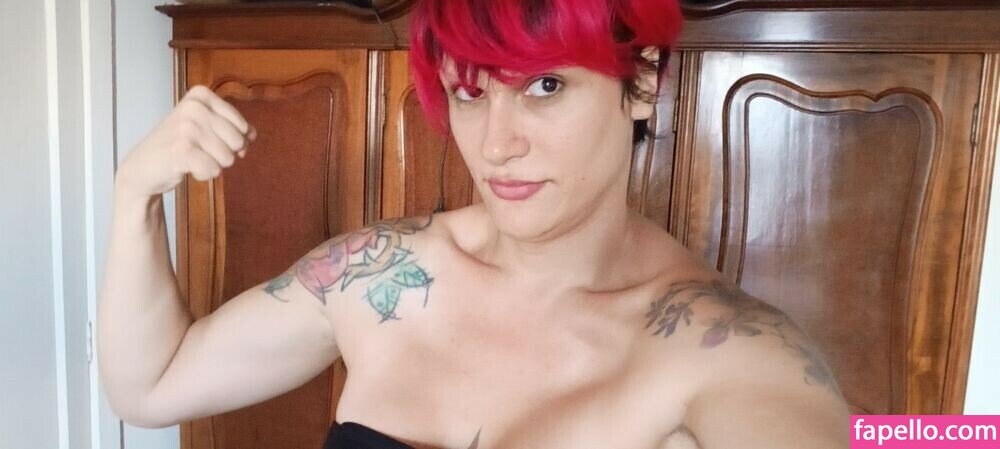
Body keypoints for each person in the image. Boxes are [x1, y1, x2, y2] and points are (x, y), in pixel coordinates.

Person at [98, 0, 850, 447]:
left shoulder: (723, 351)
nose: (496, 145)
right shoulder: (381, 274)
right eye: (470, 92)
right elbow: (153, 386)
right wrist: (134, 196)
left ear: (644, 79)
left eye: (544, 86)